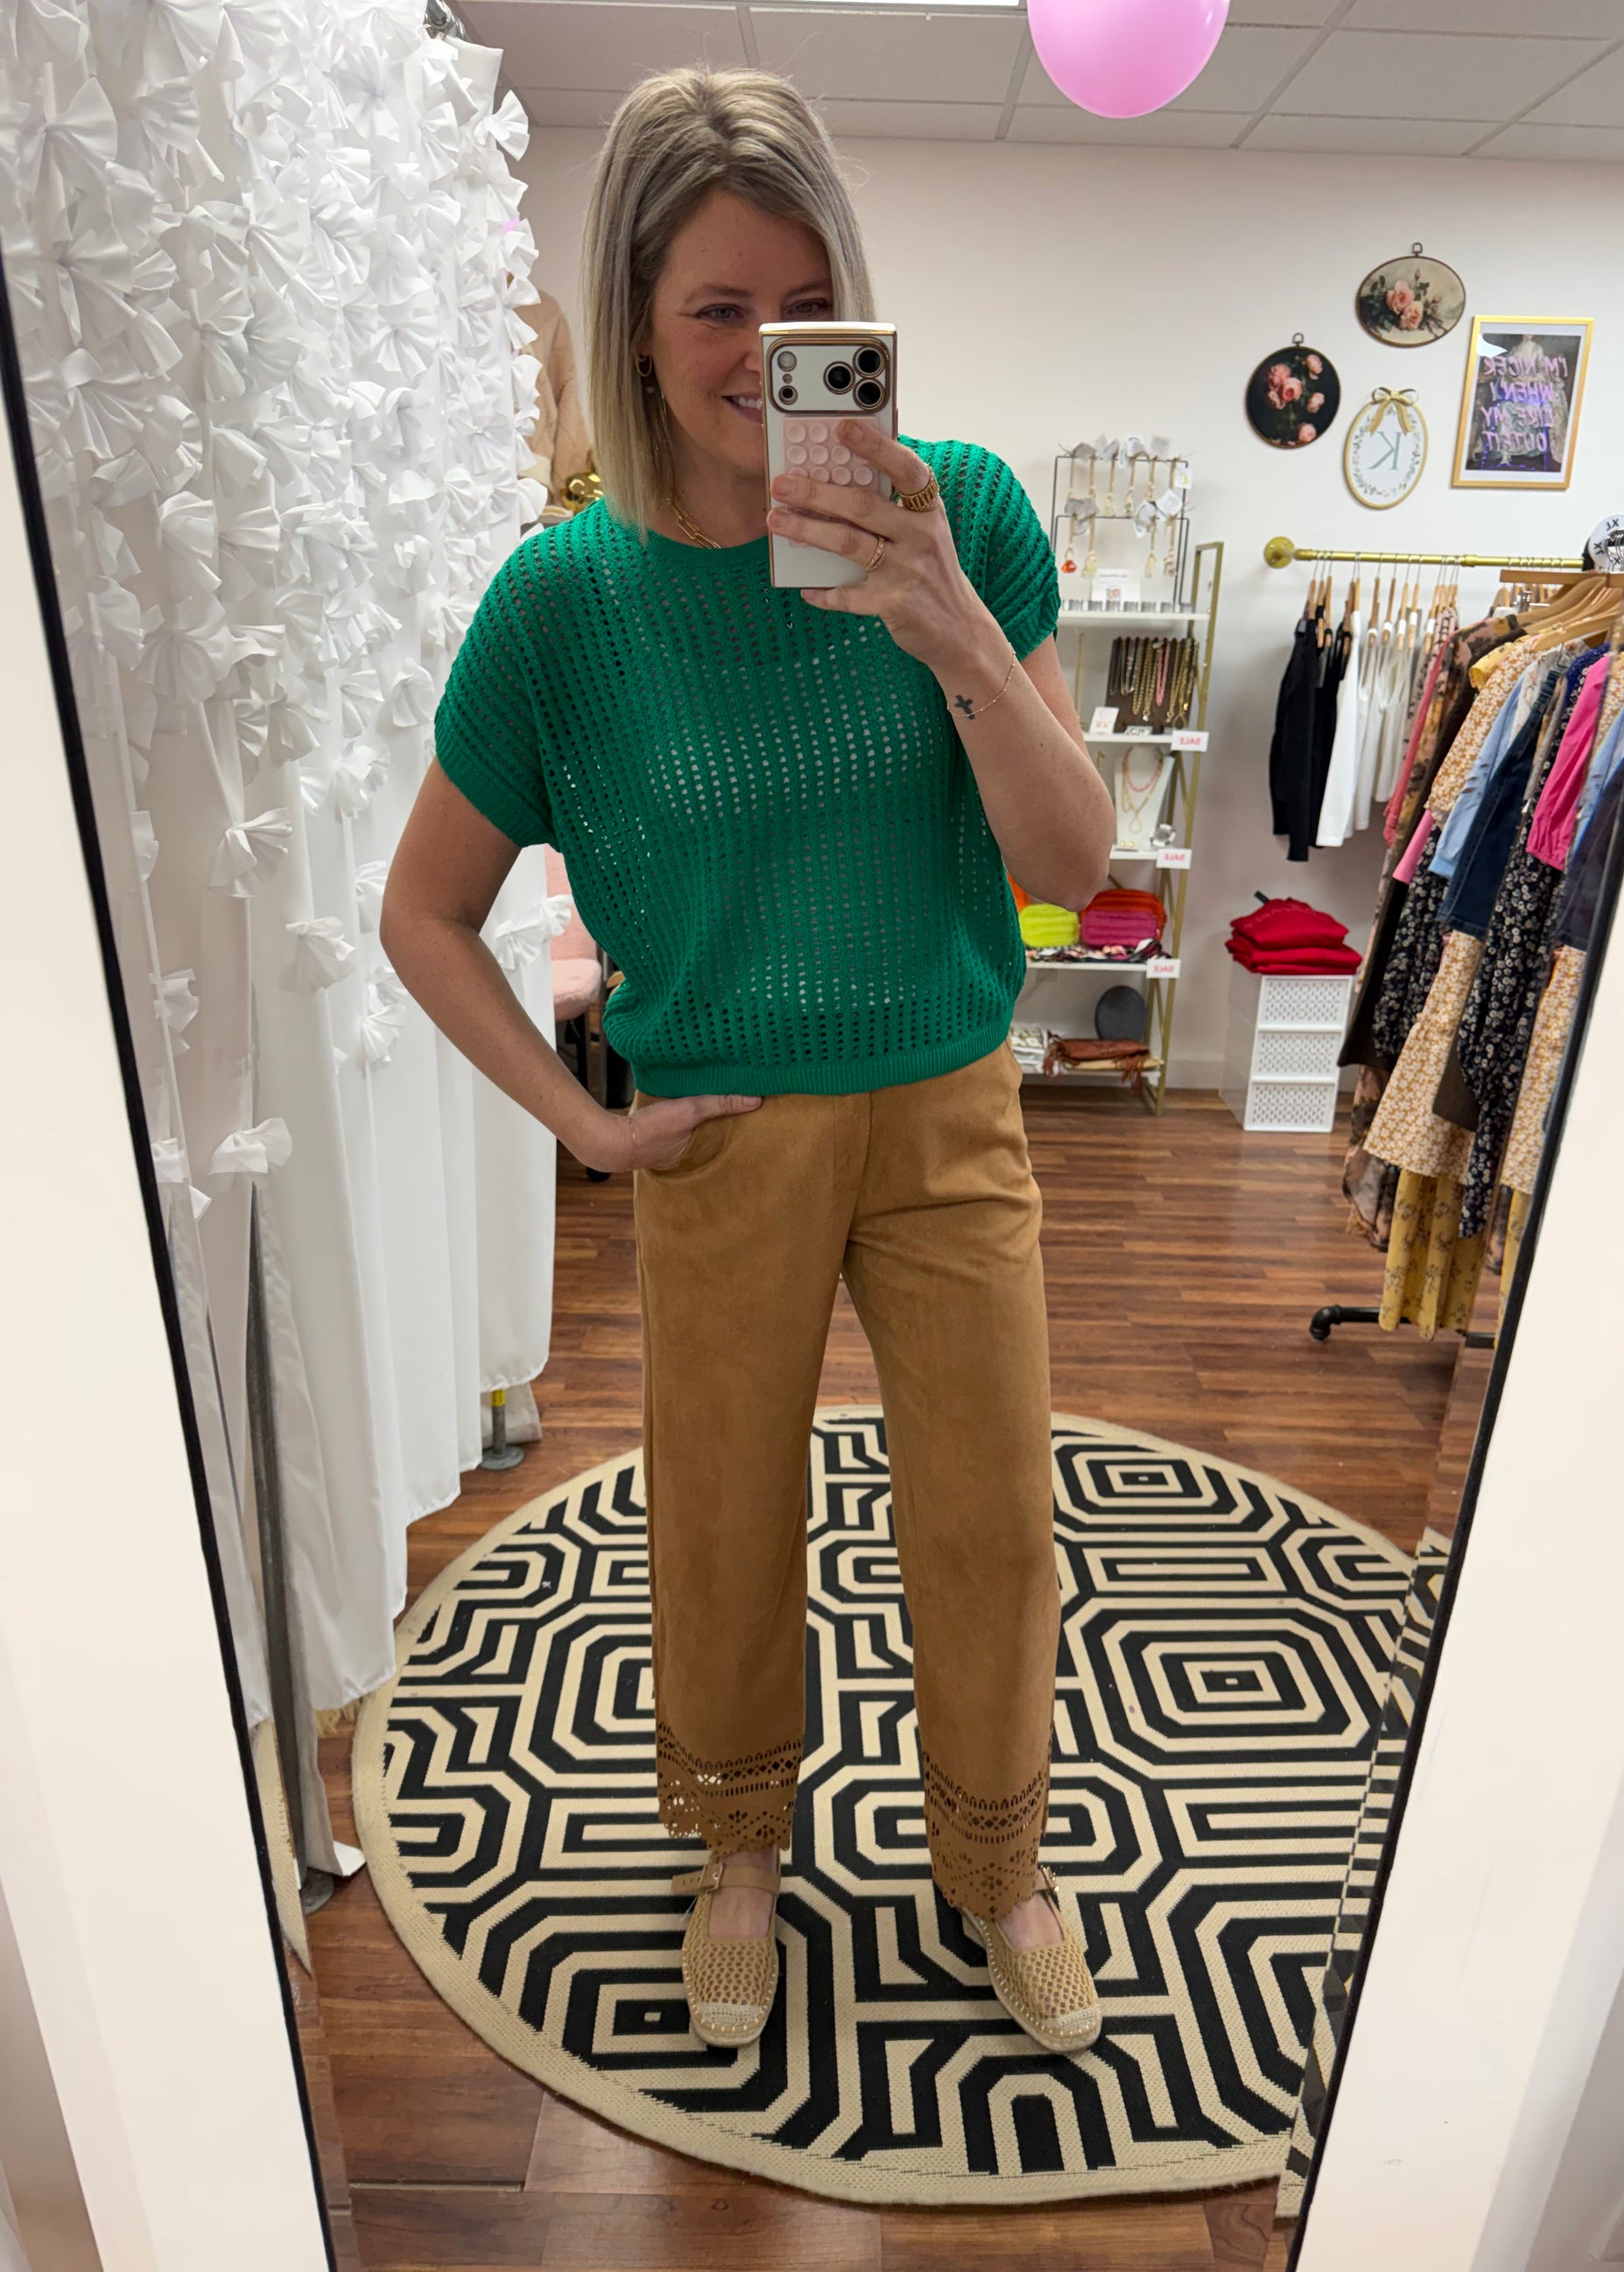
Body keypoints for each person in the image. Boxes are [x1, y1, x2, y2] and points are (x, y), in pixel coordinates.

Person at [382, 66, 1115, 2057]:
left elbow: (1072, 869)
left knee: (992, 1509)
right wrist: (583, 1123)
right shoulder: (563, 604)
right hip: (717, 1127)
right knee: (721, 1509)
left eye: (807, 309)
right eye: (717, 308)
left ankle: (999, 1861)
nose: (762, 354)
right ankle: (733, 1844)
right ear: (634, 320)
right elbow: (423, 913)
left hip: (949, 1099)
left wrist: (948, 623)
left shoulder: (962, 512)